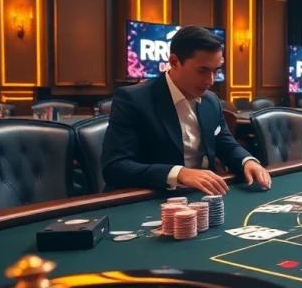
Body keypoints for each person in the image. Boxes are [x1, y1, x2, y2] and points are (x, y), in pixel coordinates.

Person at [102, 26, 271, 195]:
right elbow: (115, 167)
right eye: (202, 70)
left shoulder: (211, 101)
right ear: (174, 62)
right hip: (149, 198)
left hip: (199, 197)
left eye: (215, 71)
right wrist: (179, 173)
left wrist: (247, 161)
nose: (210, 80)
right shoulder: (133, 99)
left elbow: (226, 144)